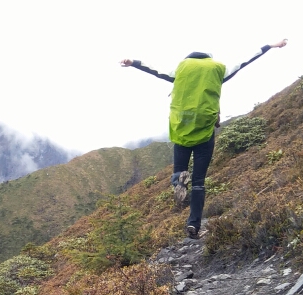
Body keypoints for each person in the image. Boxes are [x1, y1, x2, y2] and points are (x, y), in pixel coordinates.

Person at [121, 40, 287, 239]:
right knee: (199, 182)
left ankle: (179, 182)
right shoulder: (217, 69)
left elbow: (156, 70)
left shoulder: (181, 69)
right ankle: (194, 226)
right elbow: (244, 61)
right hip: (205, 132)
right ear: (208, 57)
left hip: (181, 130)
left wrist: (133, 62)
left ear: (190, 57)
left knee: (179, 171)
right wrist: (270, 46)